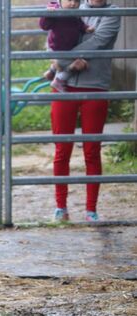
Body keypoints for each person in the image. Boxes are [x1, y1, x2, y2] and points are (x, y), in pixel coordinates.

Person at [50, 0, 120, 222]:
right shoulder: (72, 6)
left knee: (92, 150)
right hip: (64, 87)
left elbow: (98, 41)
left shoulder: (114, 13)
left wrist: (62, 59)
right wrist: (58, 58)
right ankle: (61, 208)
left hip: (95, 85)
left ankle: (91, 210)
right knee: (62, 149)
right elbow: (53, 36)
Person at [40, 0, 95, 92]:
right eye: (69, 0)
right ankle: (59, 80)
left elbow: (80, 24)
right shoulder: (56, 11)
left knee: (69, 63)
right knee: (77, 64)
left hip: (69, 48)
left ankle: (52, 71)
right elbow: (44, 26)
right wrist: (47, 14)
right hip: (57, 48)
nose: (73, 3)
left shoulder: (74, 15)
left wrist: (86, 28)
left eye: (76, 1)